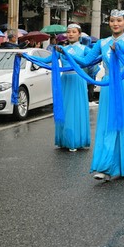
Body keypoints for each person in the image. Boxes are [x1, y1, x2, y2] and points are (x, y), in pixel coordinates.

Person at [75, 10, 124, 181]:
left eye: (119, 21)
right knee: (108, 124)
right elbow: (86, 62)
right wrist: (66, 55)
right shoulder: (102, 43)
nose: (115, 24)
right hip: (108, 85)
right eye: (112, 20)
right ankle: (106, 166)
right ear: (108, 23)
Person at [54, 24, 91, 152]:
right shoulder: (62, 49)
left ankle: (75, 140)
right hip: (65, 80)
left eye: (74, 32)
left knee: (76, 109)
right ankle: (64, 140)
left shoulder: (84, 49)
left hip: (77, 79)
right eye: (68, 32)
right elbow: (48, 59)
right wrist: (27, 57)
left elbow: (90, 61)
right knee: (64, 109)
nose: (70, 34)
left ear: (79, 34)